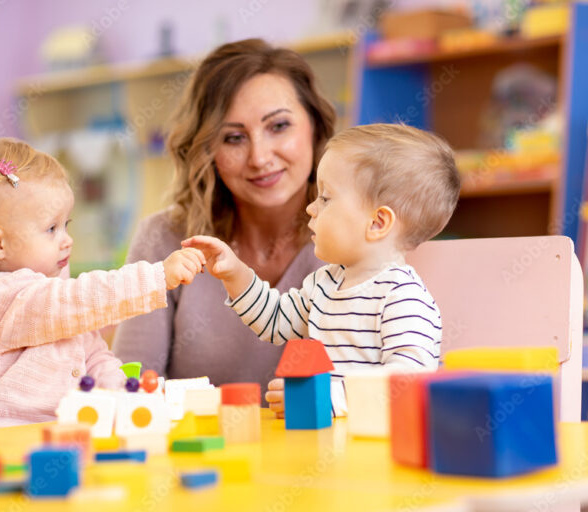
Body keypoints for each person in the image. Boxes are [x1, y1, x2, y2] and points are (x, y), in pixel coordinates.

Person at [184, 123, 461, 416]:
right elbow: (275, 320)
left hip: (375, 451)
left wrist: (324, 398)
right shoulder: (325, 283)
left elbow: (407, 383)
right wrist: (236, 274)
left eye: (325, 198)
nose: (311, 208)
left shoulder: (402, 298)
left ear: (378, 223)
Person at [112, 39, 336, 399]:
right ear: (207, 150)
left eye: (279, 126)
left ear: (315, 126)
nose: (260, 157)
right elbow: (128, 388)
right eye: (234, 137)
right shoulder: (163, 239)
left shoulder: (360, 240)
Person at [0, 137, 205, 427]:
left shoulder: (58, 296)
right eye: (51, 228)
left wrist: (124, 392)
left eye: (67, 225)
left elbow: (95, 355)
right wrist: (156, 277)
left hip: (63, 432)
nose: (67, 240)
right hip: (0, 436)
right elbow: (79, 300)